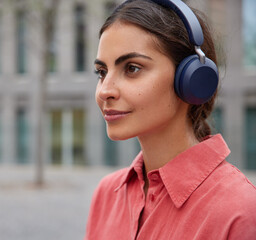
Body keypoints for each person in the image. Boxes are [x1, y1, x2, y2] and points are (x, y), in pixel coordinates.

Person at [84, 0, 256, 239]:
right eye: (101, 72)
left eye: (132, 68)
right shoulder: (107, 194)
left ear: (192, 79)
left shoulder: (240, 211)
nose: (104, 91)